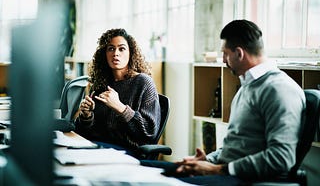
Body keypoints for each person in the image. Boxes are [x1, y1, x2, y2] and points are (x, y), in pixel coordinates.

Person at [141, 20, 306, 185]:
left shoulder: (279, 90)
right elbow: (237, 145)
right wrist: (208, 159)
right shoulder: (248, 85)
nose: (224, 60)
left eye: (225, 54)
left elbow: (281, 158)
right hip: (224, 171)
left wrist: (217, 169)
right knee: (141, 167)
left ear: (239, 53)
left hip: (242, 179)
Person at [74, 28, 161, 157]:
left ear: (131, 53)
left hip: (127, 153)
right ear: (104, 54)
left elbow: (149, 132)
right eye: (111, 48)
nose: (116, 53)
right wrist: (86, 116)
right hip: (98, 148)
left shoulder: (144, 83)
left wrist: (120, 107)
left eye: (122, 49)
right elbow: (84, 132)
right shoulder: (100, 85)